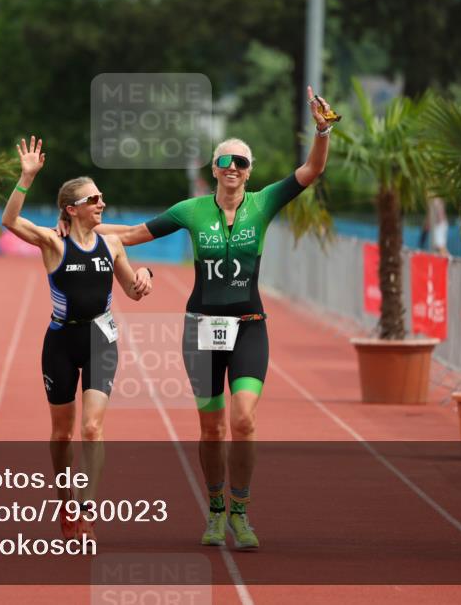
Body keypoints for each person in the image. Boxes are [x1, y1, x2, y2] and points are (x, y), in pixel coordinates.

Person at [87, 87, 334, 549]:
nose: (233, 168)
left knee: (244, 420)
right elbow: (135, 233)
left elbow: (312, 170)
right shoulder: (191, 210)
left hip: (249, 326)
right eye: (226, 161)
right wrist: (80, 229)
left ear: (249, 171)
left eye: (241, 162)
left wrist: (322, 131)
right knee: (212, 428)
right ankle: (216, 509)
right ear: (215, 169)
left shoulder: (263, 202)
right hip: (200, 329)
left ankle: (240, 511)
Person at [0, 136, 153, 542]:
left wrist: (144, 277)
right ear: (72, 208)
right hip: (60, 343)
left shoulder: (112, 243)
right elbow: (10, 221)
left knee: (92, 428)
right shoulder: (54, 243)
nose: (102, 203)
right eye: (93, 199)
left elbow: (133, 291)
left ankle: (86, 509)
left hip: (101, 337)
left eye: (101, 197)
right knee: (62, 434)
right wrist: (26, 177)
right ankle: (65, 498)